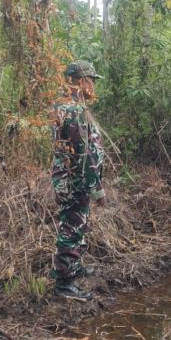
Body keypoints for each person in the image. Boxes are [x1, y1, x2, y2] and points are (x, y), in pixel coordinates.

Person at [50, 60, 105, 301]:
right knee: (71, 228)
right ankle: (64, 283)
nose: (93, 85)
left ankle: (74, 266)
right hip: (75, 180)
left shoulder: (64, 106)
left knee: (77, 224)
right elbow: (84, 154)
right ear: (81, 82)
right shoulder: (74, 111)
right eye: (91, 80)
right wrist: (96, 189)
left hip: (70, 179)